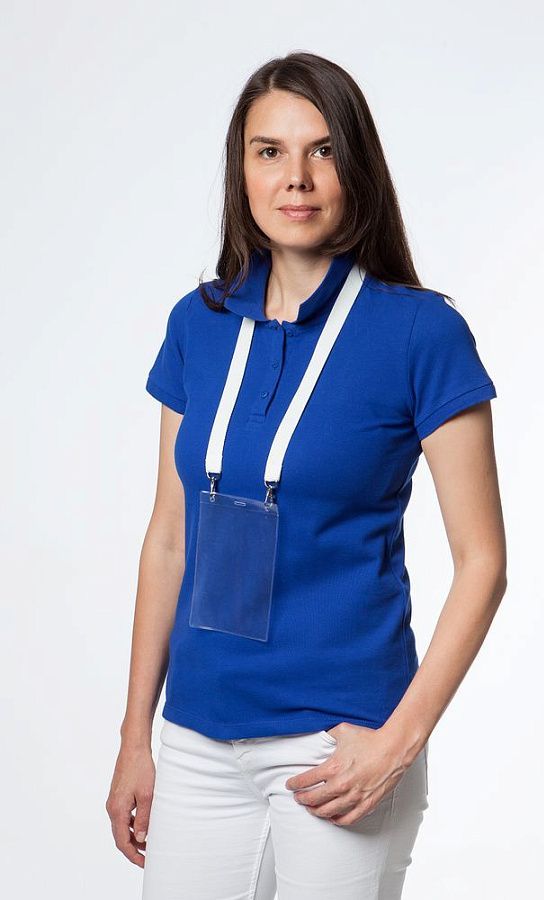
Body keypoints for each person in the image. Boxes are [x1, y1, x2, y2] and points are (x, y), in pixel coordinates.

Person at [106, 51, 507, 899]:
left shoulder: (420, 334)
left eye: (322, 150)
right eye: (270, 152)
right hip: (198, 737)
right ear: (241, 172)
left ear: (356, 167)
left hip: (336, 742)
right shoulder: (198, 323)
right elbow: (169, 539)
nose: (296, 176)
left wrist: (399, 741)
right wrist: (136, 736)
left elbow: (483, 562)